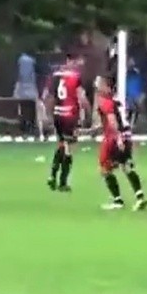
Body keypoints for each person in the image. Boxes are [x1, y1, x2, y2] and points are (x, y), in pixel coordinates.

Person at [87, 75, 147, 211]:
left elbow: (113, 122)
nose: (96, 86)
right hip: (125, 135)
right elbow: (113, 121)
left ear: (106, 86)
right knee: (126, 167)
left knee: (105, 168)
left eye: (99, 83)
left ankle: (117, 200)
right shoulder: (116, 101)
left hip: (114, 138)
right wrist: (91, 130)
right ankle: (140, 197)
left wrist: (118, 138)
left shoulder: (105, 101)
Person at [43, 54, 90, 192]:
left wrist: (48, 114)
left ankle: (52, 175)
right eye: (76, 61)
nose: (77, 64)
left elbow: (47, 96)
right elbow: (81, 97)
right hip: (70, 116)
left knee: (61, 144)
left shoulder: (55, 75)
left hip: (58, 114)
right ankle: (63, 182)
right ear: (70, 61)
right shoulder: (75, 77)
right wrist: (88, 112)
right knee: (70, 148)